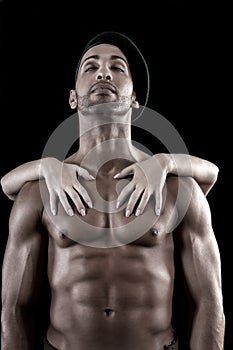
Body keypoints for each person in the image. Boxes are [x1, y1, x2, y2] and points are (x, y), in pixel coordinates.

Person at [1, 31, 225, 350]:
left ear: (134, 98)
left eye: (117, 67)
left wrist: (163, 162)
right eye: (90, 67)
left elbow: (209, 301)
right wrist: (44, 166)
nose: (103, 72)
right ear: (72, 98)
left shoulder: (177, 187)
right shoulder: (38, 192)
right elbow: (13, 309)